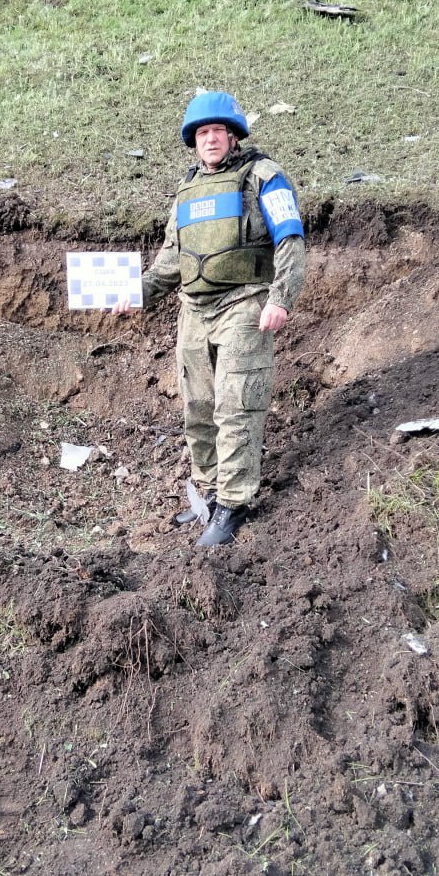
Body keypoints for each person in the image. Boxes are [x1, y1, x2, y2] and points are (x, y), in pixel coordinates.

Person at [112, 90, 307, 546]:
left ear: (234, 136)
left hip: (245, 303)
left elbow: (290, 238)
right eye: (203, 133)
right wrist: (134, 293)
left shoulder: (264, 176)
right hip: (194, 311)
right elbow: (169, 262)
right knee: (198, 407)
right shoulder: (187, 189)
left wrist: (281, 298)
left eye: (219, 130)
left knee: (235, 406)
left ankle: (234, 505)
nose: (211, 139)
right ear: (194, 140)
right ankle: (211, 493)